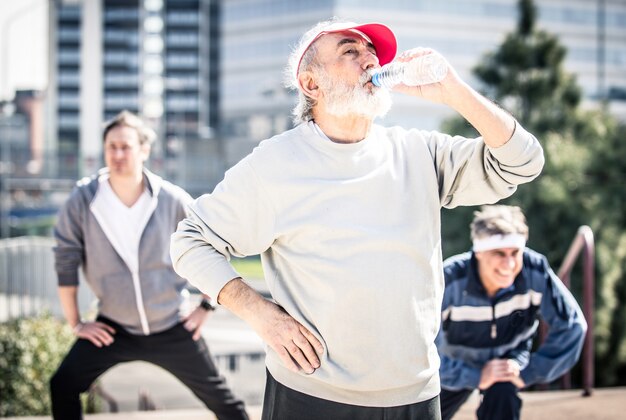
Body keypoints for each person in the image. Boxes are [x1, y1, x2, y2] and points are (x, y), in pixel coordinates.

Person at [170, 18, 545, 420]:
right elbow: (190, 240)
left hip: (416, 392)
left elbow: (522, 163)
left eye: (371, 52)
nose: (369, 59)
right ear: (311, 85)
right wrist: (260, 314)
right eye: (350, 51)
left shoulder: (418, 151)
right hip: (310, 392)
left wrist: (453, 91)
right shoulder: (275, 164)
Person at [49, 111, 248, 420]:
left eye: (125, 146)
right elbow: (65, 260)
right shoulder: (83, 200)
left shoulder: (171, 199)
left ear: (144, 150)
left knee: (227, 405)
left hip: (171, 326)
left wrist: (206, 306)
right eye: (111, 146)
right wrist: (76, 323)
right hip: (114, 328)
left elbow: (215, 245)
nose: (117, 154)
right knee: (62, 384)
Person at [437, 205, 587, 420]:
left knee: (503, 394)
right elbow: (423, 345)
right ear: (478, 252)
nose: (509, 263)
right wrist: (474, 376)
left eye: (515, 253)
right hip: (455, 365)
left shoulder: (535, 270)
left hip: (508, 365)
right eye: (499, 253)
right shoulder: (449, 279)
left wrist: (529, 372)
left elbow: (572, 326)